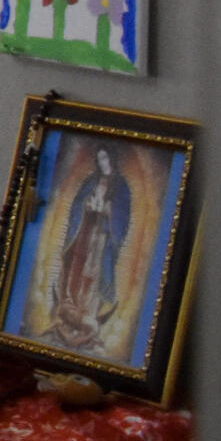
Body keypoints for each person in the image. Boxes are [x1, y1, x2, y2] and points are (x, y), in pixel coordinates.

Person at [44, 143, 134, 352]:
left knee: (94, 274)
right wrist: (87, 205)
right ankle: (70, 311)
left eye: (106, 158)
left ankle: (88, 315)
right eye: (100, 159)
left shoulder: (121, 185)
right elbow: (77, 203)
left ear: (112, 159)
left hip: (103, 237)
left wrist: (108, 210)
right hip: (85, 232)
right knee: (77, 268)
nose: (103, 163)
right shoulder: (91, 180)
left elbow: (123, 216)